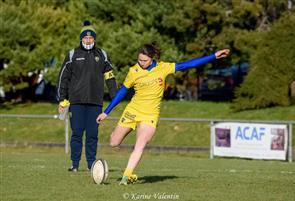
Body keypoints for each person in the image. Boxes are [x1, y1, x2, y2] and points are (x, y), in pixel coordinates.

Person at [96, 43, 230, 184]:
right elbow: (122, 92)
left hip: (150, 115)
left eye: (144, 61)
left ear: (152, 58)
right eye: (139, 60)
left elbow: (188, 64)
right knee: (113, 142)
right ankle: (124, 165)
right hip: (132, 111)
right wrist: (106, 112)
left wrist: (214, 56)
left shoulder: (163, 67)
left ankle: (126, 176)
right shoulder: (133, 71)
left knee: (140, 144)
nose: (141, 63)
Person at [57, 20, 118, 172]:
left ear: (94, 39)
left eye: (91, 38)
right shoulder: (72, 54)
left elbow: (110, 77)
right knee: (77, 133)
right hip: (76, 101)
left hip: (95, 102)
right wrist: (62, 99)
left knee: (92, 135)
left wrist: (115, 97)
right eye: (85, 38)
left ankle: (92, 164)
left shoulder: (102, 55)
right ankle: (75, 164)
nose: (88, 40)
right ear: (81, 39)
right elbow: (63, 78)